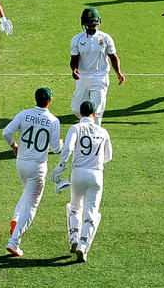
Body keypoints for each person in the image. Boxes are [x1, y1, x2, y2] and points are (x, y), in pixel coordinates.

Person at [2, 87, 62, 257]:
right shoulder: (53, 120)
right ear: (49, 101)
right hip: (37, 167)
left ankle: (16, 218)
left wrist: (14, 146)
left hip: (21, 163)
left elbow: (6, 132)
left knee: (27, 193)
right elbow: (56, 149)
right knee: (32, 204)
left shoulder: (24, 114)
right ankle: (14, 242)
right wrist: (62, 143)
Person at [51, 100, 112, 263]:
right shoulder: (103, 131)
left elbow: (68, 148)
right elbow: (108, 157)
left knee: (74, 206)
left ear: (80, 113)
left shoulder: (75, 128)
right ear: (93, 114)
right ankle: (83, 246)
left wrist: (60, 166)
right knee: (91, 212)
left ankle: (73, 238)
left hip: (77, 173)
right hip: (96, 175)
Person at [70, 7, 125, 125]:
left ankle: (92, 137)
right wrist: (74, 70)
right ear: (83, 23)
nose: (91, 24)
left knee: (96, 111)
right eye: (89, 22)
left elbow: (113, 57)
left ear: (98, 21)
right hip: (82, 77)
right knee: (76, 108)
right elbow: (74, 59)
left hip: (100, 76)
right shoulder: (77, 39)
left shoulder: (106, 38)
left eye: (94, 21)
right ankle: (85, 126)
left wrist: (118, 73)